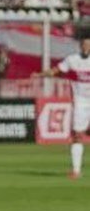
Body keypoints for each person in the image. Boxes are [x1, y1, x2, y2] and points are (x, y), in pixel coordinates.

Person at [32, 30, 90, 178]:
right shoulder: (72, 60)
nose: (86, 47)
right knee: (77, 136)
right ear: (80, 46)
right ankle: (76, 171)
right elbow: (55, 71)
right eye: (84, 45)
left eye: (88, 45)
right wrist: (39, 74)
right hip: (81, 102)